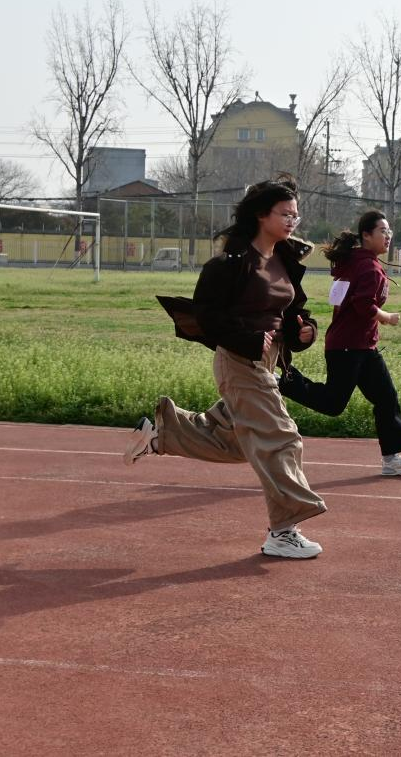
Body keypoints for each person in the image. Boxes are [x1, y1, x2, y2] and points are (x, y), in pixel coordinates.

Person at [123, 178, 327, 559]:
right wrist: (248, 340)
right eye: (285, 214)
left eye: (296, 215)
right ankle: (283, 531)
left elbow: (292, 311)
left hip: (267, 361)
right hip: (239, 362)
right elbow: (208, 316)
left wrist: (305, 331)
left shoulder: (284, 259)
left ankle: (162, 434)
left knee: (235, 442)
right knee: (282, 439)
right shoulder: (231, 263)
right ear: (261, 215)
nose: (292, 221)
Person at [279, 210, 401, 476]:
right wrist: (387, 317)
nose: (388, 236)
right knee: (333, 404)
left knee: (386, 397)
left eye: (389, 231)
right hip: (348, 346)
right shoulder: (367, 267)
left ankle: (391, 459)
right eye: (382, 231)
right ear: (366, 235)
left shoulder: (355, 262)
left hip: (362, 346)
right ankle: (284, 381)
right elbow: (363, 305)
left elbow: (348, 301)